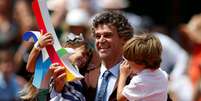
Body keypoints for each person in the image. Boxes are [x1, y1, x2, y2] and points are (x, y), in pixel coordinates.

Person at [51, 10, 134, 101]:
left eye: (107, 35)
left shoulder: (135, 77)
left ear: (124, 39)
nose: (101, 40)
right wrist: (57, 89)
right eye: (98, 36)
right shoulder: (82, 75)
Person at [117, 33, 168, 101]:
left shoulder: (139, 81)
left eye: (127, 60)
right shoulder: (163, 75)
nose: (126, 63)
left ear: (138, 62)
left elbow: (120, 98)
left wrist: (123, 75)